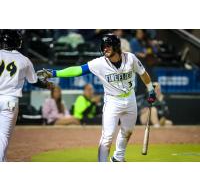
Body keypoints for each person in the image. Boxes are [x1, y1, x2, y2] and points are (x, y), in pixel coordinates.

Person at [37, 34, 156, 162]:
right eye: (103, 47)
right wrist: (54, 73)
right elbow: (77, 70)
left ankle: (118, 158)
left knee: (127, 131)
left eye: (108, 46)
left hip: (130, 99)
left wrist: (151, 90)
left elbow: (143, 74)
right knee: (108, 136)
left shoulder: (130, 58)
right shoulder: (99, 63)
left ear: (116, 46)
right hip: (112, 101)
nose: (105, 49)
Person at [0, 30, 54, 162]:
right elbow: (34, 81)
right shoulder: (24, 60)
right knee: (3, 137)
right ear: (18, 42)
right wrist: (47, 85)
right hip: (9, 101)